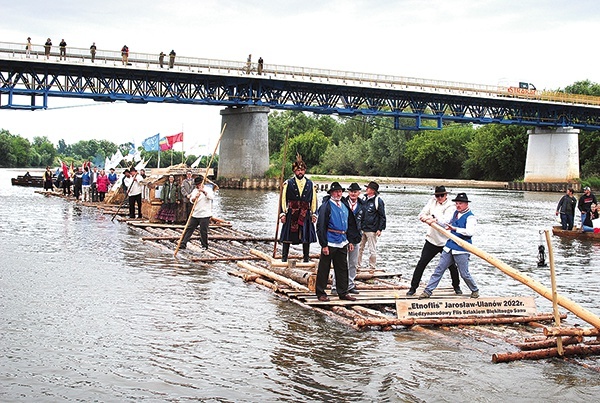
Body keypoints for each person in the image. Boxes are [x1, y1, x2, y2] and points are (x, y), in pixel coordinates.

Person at [419, 192, 480, 299]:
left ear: (466, 204)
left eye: (460, 203)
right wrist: (434, 220)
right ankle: (427, 291)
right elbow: (445, 222)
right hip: (449, 246)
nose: (458, 205)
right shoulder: (455, 213)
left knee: (464, 273)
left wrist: (455, 229)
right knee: (439, 269)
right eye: (457, 203)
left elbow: (470, 232)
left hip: (461, 249)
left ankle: (474, 290)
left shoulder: (471, 217)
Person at [407, 186, 462, 296]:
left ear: (446, 195)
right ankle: (413, 288)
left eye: (442, 195)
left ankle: (456, 287)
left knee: (452, 266)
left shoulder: (451, 206)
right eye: (437, 195)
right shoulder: (432, 202)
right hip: (432, 239)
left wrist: (433, 218)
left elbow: (445, 221)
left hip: (446, 241)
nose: (439, 198)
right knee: (422, 263)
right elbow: (422, 214)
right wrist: (427, 218)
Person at [315, 182, 358, 302]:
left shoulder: (344, 204)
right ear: (331, 193)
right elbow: (321, 226)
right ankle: (321, 292)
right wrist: (323, 244)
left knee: (342, 268)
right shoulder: (326, 206)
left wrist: (350, 240)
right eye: (336, 192)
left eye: (340, 191)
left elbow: (350, 223)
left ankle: (343, 292)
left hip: (342, 241)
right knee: (324, 267)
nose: (338, 194)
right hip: (330, 241)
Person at [279, 154, 318, 262]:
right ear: (294, 171)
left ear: (305, 170)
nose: (300, 172)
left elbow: (314, 200)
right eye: (297, 170)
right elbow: (283, 200)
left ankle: (306, 259)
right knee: (287, 237)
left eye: (302, 170)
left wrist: (314, 213)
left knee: (306, 238)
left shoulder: (310, 184)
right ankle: (284, 259)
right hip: (291, 212)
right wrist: (282, 213)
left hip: (305, 213)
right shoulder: (288, 183)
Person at [331, 182, 363, 295]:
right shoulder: (342, 203)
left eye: (355, 192)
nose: (353, 194)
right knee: (340, 263)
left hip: (356, 237)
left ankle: (350, 284)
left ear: (359, 193)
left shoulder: (362, 205)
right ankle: (335, 285)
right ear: (348, 192)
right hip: (343, 237)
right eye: (351, 191)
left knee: (353, 263)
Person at [357, 181, 386, 270]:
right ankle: (357, 265)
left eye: (368, 188)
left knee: (372, 249)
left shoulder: (378, 201)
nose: (366, 189)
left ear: (373, 191)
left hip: (372, 229)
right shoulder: (363, 199)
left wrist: (380, 229)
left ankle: (372, 266)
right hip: (362, 228)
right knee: (359, 248)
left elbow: (382, 216)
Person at [180, 176, 214, 250]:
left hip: (205, 214)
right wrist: (195, 198)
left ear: (202, 183)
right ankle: (183, 243)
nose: (198, 186)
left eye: (199, 184)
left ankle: (204, 245)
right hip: (196, 213)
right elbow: (191, 200)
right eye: (197, 185)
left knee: (203, 230)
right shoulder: (195, 191)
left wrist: (204, 192)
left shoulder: (208, 189)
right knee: (189, 228)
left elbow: (211, 197)